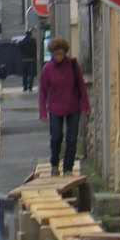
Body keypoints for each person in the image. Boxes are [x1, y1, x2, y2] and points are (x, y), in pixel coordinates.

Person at [38, 36, 91, 175]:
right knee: (56, 137)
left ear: (65, 53)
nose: (59, 57)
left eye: (61, 54)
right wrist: (43, 112)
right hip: (55, 108)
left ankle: (68, 168)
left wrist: (84, 105)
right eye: (56, 54)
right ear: (52, 54)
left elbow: (81, 86)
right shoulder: (47, 69)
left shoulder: (72, 65)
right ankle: (54, 164)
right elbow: (42, 91)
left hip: (73, 107)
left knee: (72, 139)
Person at [16, 28, 39, 93]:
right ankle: (30, 88)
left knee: (25, 74)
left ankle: (25, 87)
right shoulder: (34, 41)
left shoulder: (22, 42)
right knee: (31, 74)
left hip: (24, 60)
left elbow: (19, 47)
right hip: (32, 59)